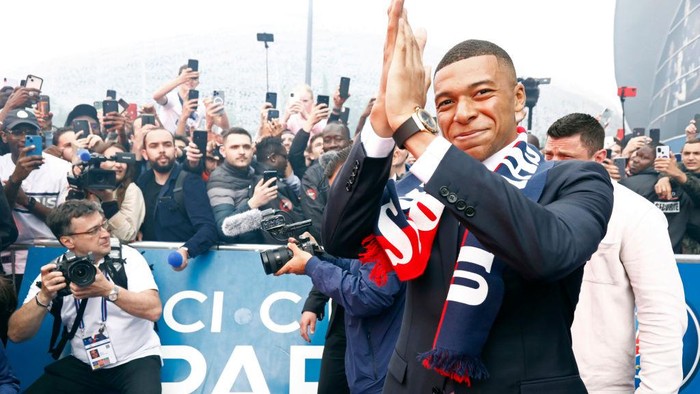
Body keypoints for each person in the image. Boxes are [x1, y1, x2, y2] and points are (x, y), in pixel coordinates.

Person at [321, 3, 613, 393]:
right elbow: (341, 237)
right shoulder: (416, 190)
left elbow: (548, 251)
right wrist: (382, 116)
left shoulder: (574, 179)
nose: (463, 113)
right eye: (444, 102)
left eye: (482, 94)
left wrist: (414, 130)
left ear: (518, 97)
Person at [544, 113, 687, 393]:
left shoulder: (635, 213)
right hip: (527, 378)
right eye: (548, 155)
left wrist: (656, 389)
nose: (553, 165)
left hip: (598, 383)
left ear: (599, 158)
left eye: (565, 157)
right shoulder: (529, 202)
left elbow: (662, 311)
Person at [277, 146, 406, 394]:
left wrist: (313, 265)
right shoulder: (369, 220)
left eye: (346, 187)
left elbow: (370, 295)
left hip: (382, 366)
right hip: (364, 355)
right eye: (336, 192)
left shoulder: (391, 223)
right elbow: (356, 266)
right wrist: (319, 256)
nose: (341, 199)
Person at [7, 200, 162, 393]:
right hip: (85, 363)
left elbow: (154, 310)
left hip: (136, 358)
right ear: (67, 241)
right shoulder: (55, 272)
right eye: (93, 231)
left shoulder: (127, 258)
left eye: (103, 225)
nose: (105, 234)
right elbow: (15, 334)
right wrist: (44, 296)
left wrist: (108, 291)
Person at [0, 109, 71, 291]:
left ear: (40, 135)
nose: (24, 138)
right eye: (17, 132)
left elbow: (65, 222)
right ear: (4, 136)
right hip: (7, 260)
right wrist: (15, 180)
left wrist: (28, 202)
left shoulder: (62, 169)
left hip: (50, 257)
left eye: (30, 132)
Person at [136, 128, 217, 271]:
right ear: (145, 154)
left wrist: (186, 250)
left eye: (167, 145)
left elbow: (208, 229)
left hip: (185, 267)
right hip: (148, 266)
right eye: (154, 146)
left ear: (175, 150)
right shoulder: (142, 181)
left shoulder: (189, 181)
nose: (161, 150)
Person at [620, 144, 692, 253]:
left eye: (644, 158)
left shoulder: (628, 185)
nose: (636, 160)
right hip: (674, 255)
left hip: (641, 254)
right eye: (636, 155)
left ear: (658, 161)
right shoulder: (683, 185)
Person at [89, 142, 145, 243]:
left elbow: (127, 235)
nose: (118, 165)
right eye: (112, 159)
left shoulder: (131, 189)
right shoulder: (87, 187)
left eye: (122, 161)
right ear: (98, 163)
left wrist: (109, 203)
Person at [655, 138, 700, 253]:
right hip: (675, 245)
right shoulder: (675, 172)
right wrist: (664, 178)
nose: (690, 158)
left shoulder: (678, 173)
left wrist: (677, 175)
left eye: (696, 153)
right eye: (686, 153)